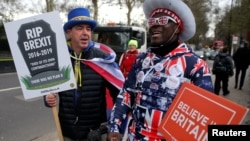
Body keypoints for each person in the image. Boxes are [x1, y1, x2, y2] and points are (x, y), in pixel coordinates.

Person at [106, 0, 214, 140]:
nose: (155, 24)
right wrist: (114, 127)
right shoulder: (141, 60)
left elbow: (204, 115)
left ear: (177, 27)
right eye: (152, 21)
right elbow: (127, 94)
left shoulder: (195, 65)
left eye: (163, 20)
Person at [44, 7, 123, 141]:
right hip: (67, 131)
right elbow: (49, 88)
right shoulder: (59, 58)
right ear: (69, 32)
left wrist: (115, 126)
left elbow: (120, 95)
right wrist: (47, 98)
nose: (85, 33)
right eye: (80, 28)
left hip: (95, 132)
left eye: (88, 29)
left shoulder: (102, 59)